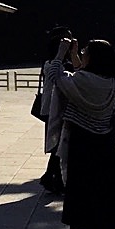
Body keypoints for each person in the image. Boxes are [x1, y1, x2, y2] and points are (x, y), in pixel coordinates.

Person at [44, 36, 115, 229]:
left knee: (87, 199)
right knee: (108, 198)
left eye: (86, 52)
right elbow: (84, 77)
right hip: (107, 144)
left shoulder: (80, 80)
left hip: (83, 144)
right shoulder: (112, 81)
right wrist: (76, 56)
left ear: (93, 57)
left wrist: (62, 52)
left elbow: (55, 76)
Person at [37, 26, 72, 194]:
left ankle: (51, 177)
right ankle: (52, 177)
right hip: (54, 109)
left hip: (60, 109)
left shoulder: (62, 62)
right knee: (59, 145)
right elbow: (55, 77)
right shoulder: (52, 63)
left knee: (60, 145)